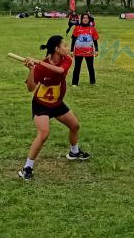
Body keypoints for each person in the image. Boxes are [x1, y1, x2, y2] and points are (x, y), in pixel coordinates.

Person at [18, 35, 88, 180]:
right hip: (41, 104)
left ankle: (74, 152)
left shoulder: (67, 59)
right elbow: (30, 88)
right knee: (43, 134)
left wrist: (38, 62)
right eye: (65, 46)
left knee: (75, 126)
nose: (68, 49)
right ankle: (27, 168)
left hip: (57, 103)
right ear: (57, 49)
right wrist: (32, 69)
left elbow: (60, 71)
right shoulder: (40, 67)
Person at [70, 12, 99, 86]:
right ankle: (74, 83)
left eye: (87, 18)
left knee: (91, 67)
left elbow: (95, 40)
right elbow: (73, 40)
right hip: (78, 52)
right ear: (81, 19)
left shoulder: (92, 28)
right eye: (84, 18)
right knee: (77, 67)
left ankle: (92, 82)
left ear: (89, 19)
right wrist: (71, 50)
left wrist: (96, 50)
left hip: (89, 52)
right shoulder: (77, 28)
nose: (85, 19)